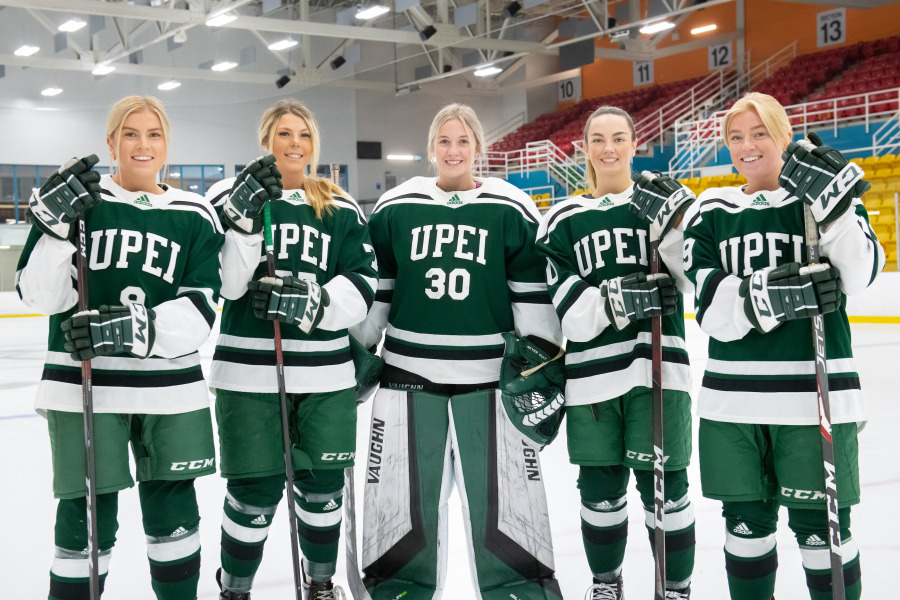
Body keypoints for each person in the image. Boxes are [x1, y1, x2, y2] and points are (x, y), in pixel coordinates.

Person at [351, 103, 564, 600]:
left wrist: (540, 361)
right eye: (444, 141)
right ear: (431, 148)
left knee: (505, 511)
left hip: (490, 384)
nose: (453, 150)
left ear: (477, 148)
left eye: (463, 141)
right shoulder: (396, 207)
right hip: (408, 381)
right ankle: (400, 590)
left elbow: (530, 296)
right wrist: (360, 351)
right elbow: (379, 290)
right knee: (406, 511)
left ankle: (519, 590)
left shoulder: (510, 207)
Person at [16, 95, 224, 600]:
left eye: (154, 134)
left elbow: (201, 308)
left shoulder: (194, 213)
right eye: (130, 133)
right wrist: (54, 228)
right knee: (85, 514)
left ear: (166, 145)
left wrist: (135, 330)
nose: (143, 144)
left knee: (173, 512)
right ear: (111, 143)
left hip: (169, 391)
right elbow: (41, 295)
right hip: (84, 389)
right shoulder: (78, 202)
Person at [677, 92, 883, 600]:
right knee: (745, 528)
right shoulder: (711, 209)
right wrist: (773, 294)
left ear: (785, 135)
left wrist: (833, 207)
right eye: (736, 137)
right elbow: (711, 311)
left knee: (822, 532)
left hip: (816, 401)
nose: (747, 146)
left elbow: (859, 274)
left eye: (760, 132)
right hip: (733, 405)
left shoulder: (819, 201)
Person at [205, 99, 378, 600]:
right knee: (253, 494)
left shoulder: (340, 206)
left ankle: (321, 584)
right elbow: (229, 285)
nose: (294, 143)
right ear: (266, 141)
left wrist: (314, 301)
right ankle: (235, 588)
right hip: (249, 377)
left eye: (303, 134)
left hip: (325, 376)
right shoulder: (227, 196)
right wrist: (244, 221)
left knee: (323, 491)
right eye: (284, 134)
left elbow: (362, 282)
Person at [536, 106, 696, 600]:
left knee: (666, 492)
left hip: (658, 373)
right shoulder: (561, 220)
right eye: (599, 139)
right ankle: (606, 583)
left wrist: (670, 225)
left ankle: (675, 587)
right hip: (592, 383)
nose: (609, 148)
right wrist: (620, 299)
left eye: (619, 138)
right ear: (585, 148)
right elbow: (573, 318)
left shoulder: (665, 202)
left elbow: (691, 281)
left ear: (634, 144)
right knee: (600, 495)